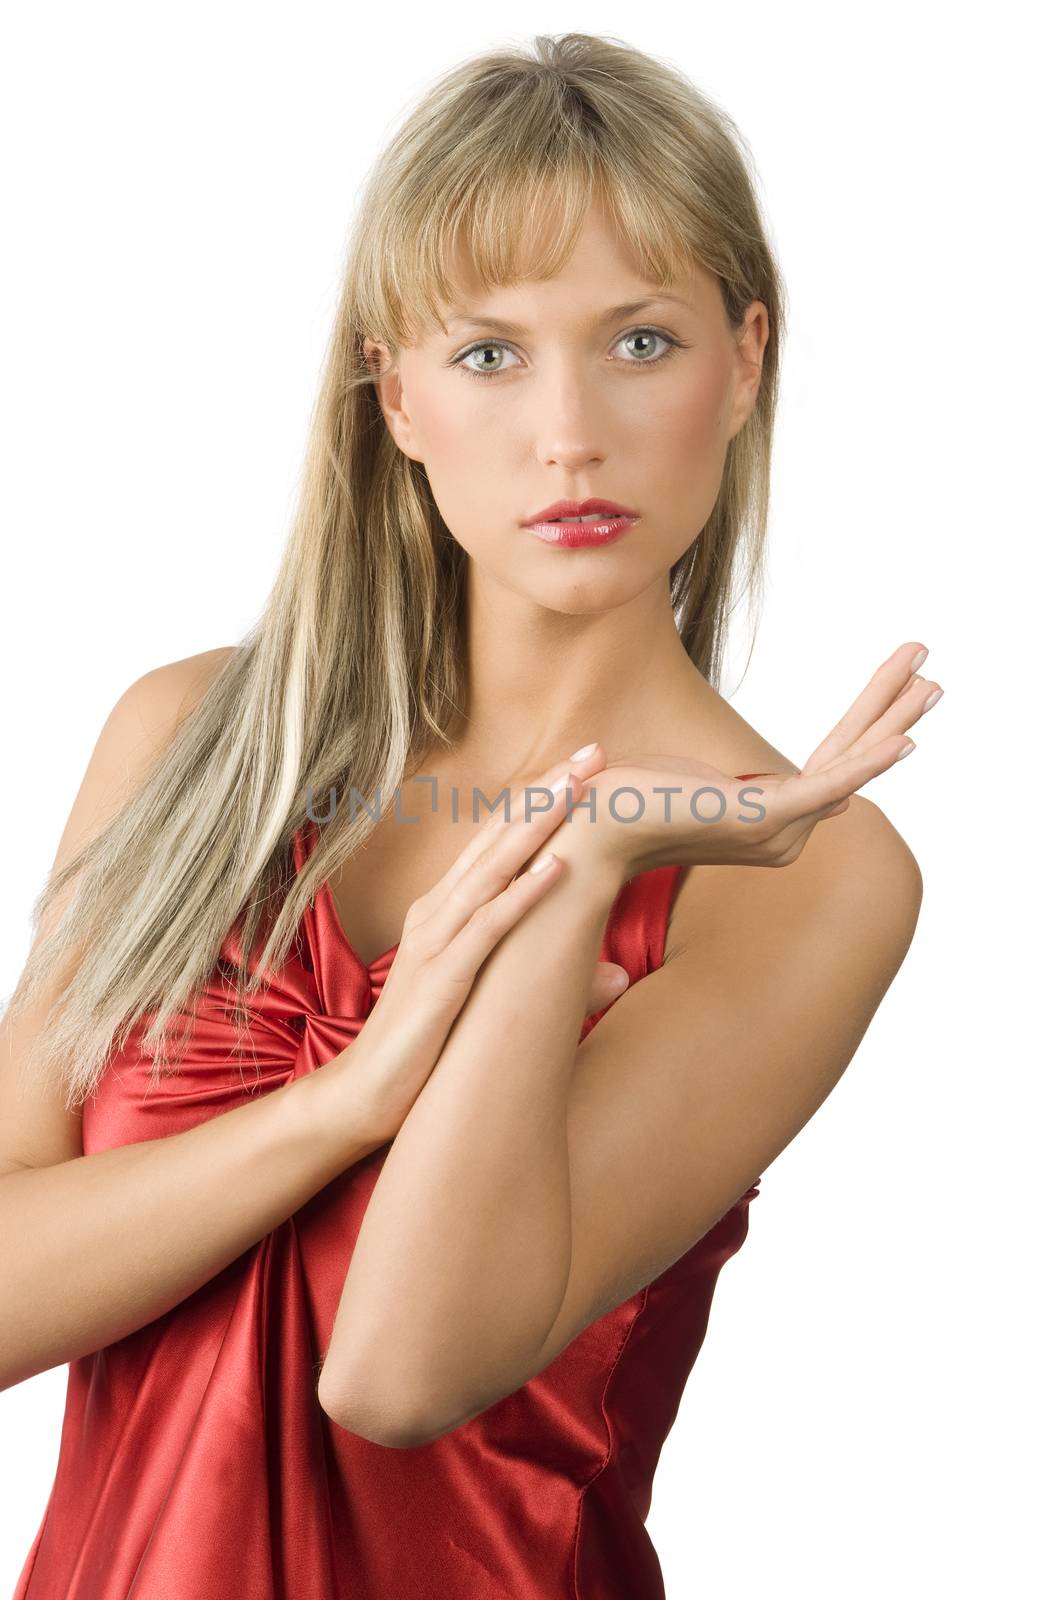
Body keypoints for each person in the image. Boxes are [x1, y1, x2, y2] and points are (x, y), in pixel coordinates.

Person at [1, 31, 942, 1599]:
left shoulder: (803, 880)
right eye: (491, 353)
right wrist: (348, 1103)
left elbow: (399, 1371)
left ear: (747, 360)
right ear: (396, 393)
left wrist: (585, 866)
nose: (568, 431)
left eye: (640, 341)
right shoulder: (189, 743)